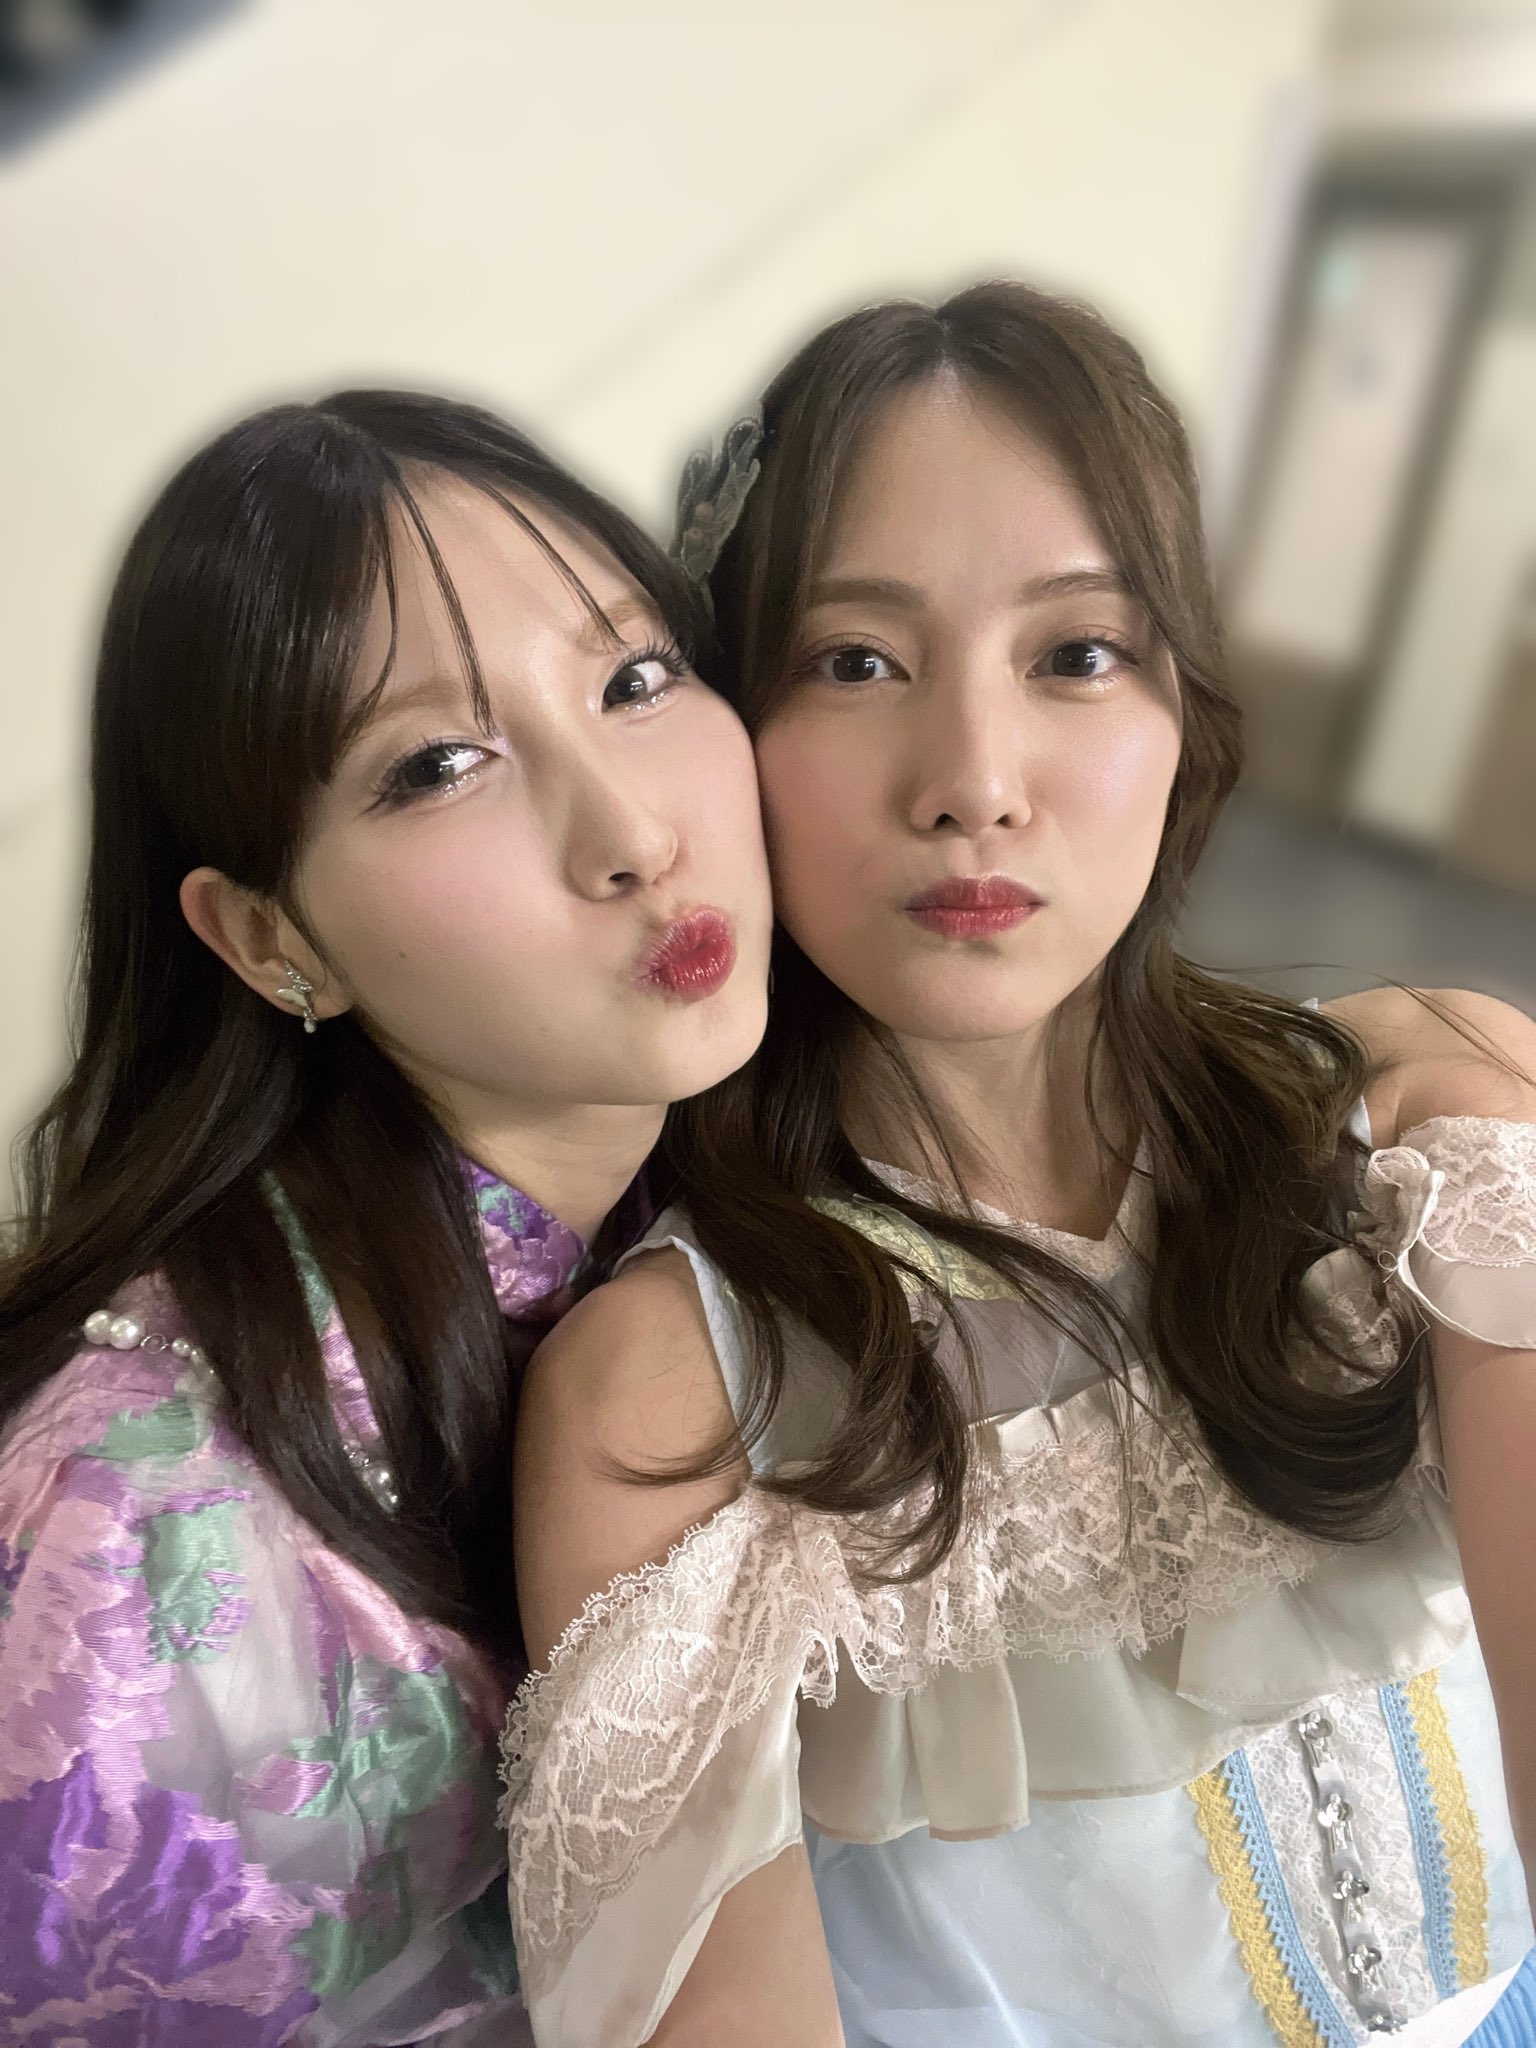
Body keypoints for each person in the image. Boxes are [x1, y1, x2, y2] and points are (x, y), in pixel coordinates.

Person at [505, 284, 1536, 2047]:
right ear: (730, 736)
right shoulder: (670, 1401)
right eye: (855, 662)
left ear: (1185, 710)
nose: (973, 783)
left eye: (1077, 654)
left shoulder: (1423, 1121)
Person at [0, 389, 771, 2045]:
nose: (636, 834)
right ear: (270, 940)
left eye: (637, 678)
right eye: (438, 766)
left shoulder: (695, 1197)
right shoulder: (148, 1550)